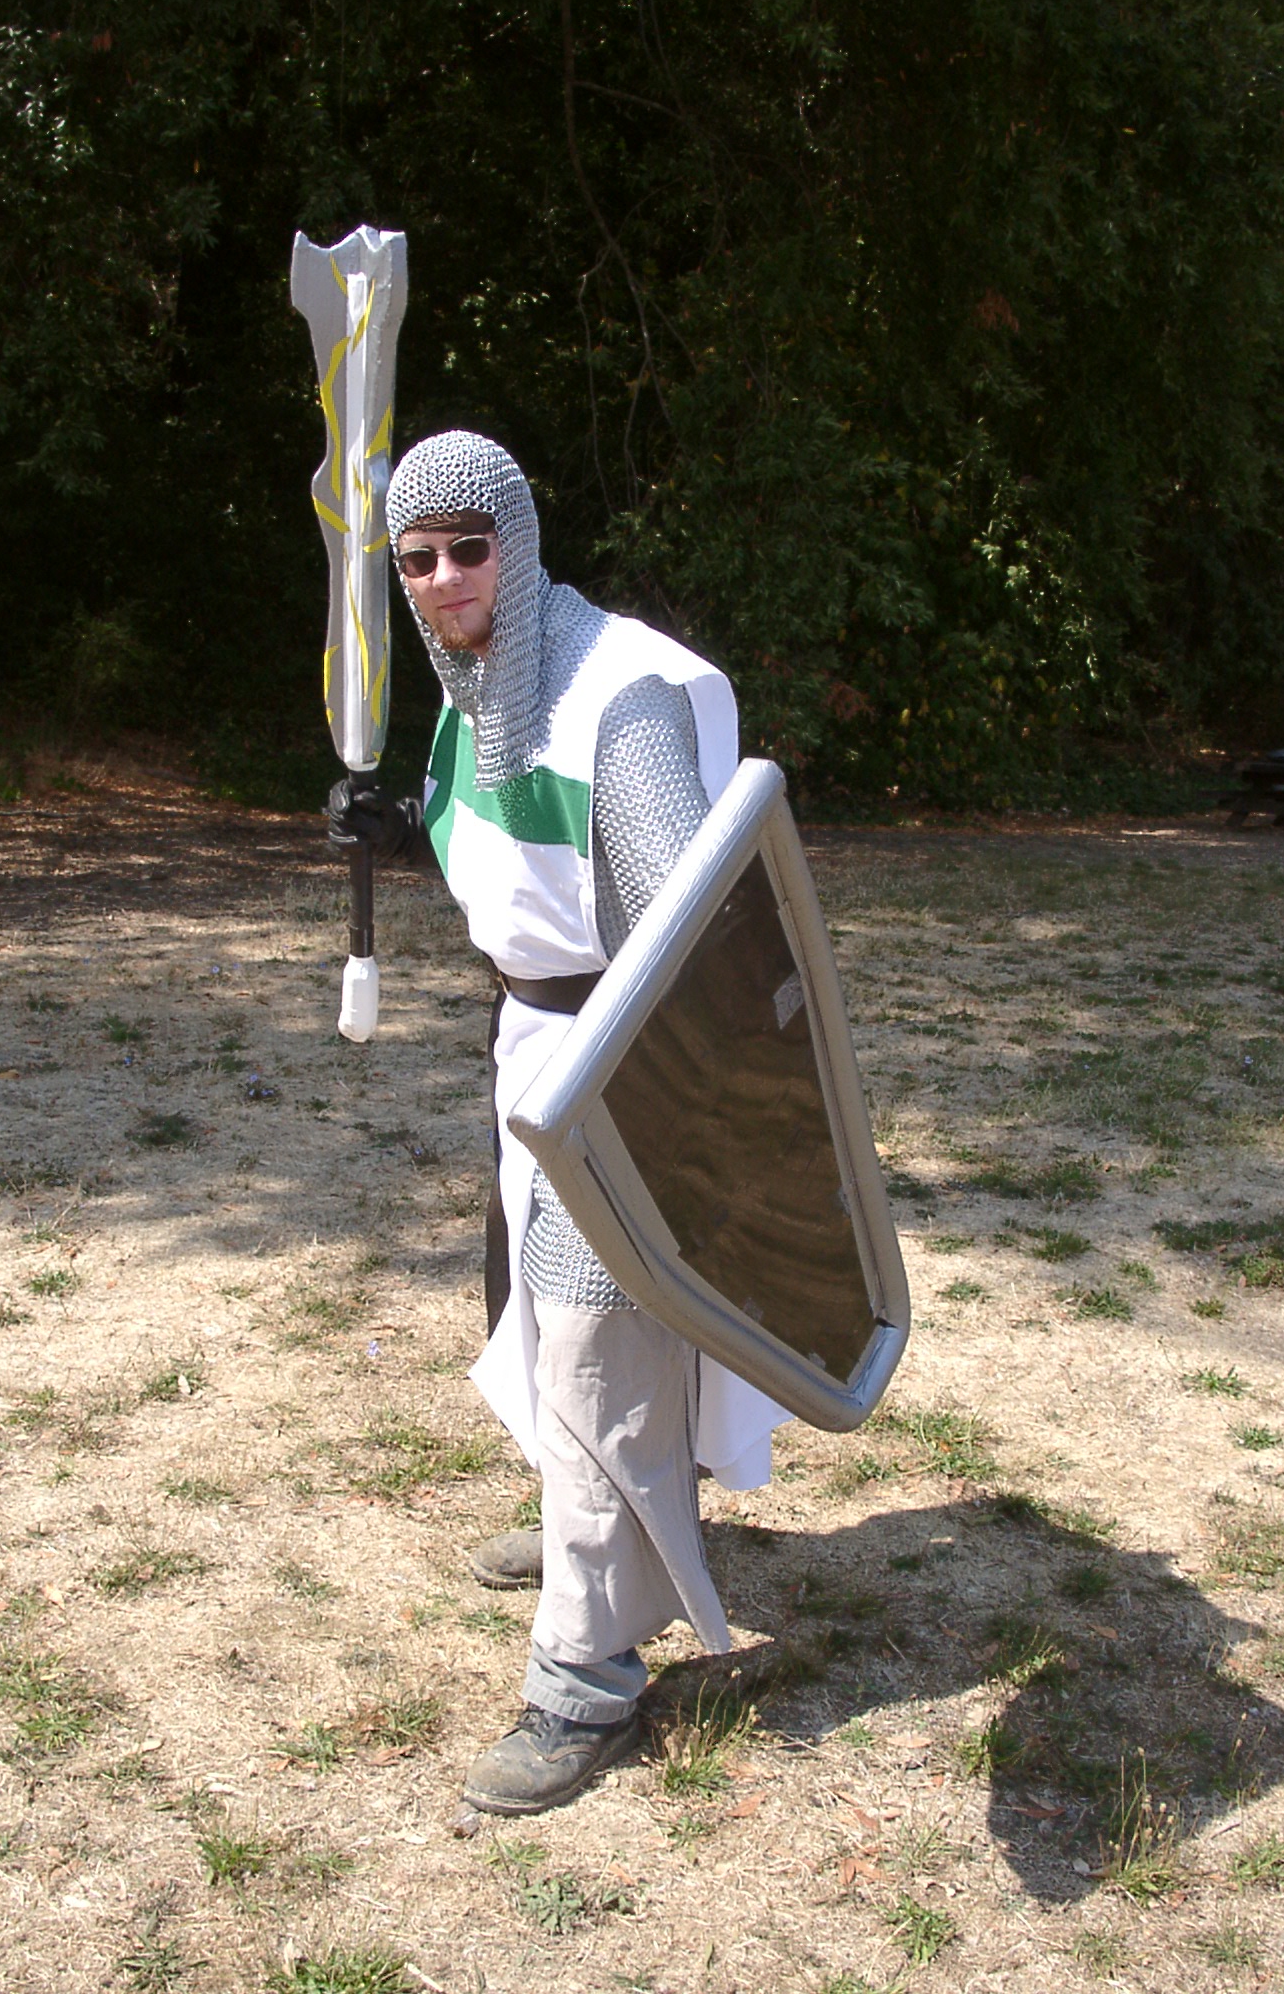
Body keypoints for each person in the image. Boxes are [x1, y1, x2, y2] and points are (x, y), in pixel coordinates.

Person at [327, 431, 784, 1815]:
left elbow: (679, 941)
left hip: (628, 1061)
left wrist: (636, 1106)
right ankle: (592, 1524)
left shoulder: (619, 699)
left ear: (516, 545)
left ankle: (587, 1676)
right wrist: (394, 831)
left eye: (469, 548)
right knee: (533, 1320)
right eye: (418, 559)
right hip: (533, 1047)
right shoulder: (475, 690)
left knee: (594, 1345)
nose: (445, 578)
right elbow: (517, 865)